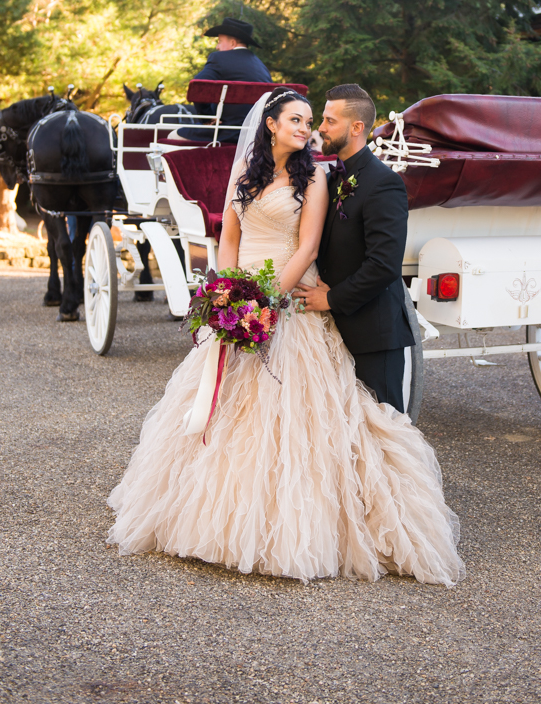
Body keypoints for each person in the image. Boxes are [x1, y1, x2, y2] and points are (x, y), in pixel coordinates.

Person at [107, 87, 463, 585]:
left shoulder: (315, 176)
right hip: (240, 295)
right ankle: (214, 517)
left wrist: (267, 299)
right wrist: (228, 292)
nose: (307, 128)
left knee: (294, 417)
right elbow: (228, 237)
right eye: (296, 120)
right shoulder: (246, 176)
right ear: (270, 124)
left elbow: (308, 245)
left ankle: (309, 526)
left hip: (285, 301)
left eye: (313, 120)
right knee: (230, 413)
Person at [295, 84, 414, 413]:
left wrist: (330, 298)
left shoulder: (384, 183)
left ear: (357, 128)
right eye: (323, 119)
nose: (320, 127)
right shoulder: (328, 179)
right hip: (328, 333)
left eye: (330, 121)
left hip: (372, 333)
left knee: (384, 434)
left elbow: (384, 264)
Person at [183, 17, 272, 143]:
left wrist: (207, 118)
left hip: (225, 133)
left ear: (232, 43)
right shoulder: (262, 67)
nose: (217, 46)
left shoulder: (218, 58)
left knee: (172, 134)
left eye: (219, 41)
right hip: (256, 136)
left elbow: (198, 86)